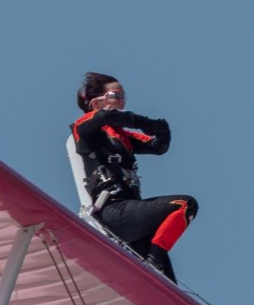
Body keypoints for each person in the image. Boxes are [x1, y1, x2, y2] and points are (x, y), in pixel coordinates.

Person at [71, 72, 198, 283]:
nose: (122, 100)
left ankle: (155, 272)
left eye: (123, 95)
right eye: (116, 95)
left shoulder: (122, 136)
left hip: (130, 213)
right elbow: (105, 117)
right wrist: (142, 121)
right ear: (95, 103)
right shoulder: (84, 126)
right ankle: (153, 263)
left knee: (169, 288)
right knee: (185, 205)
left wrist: (163, 130)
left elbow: (158, 147)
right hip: (113, 211)